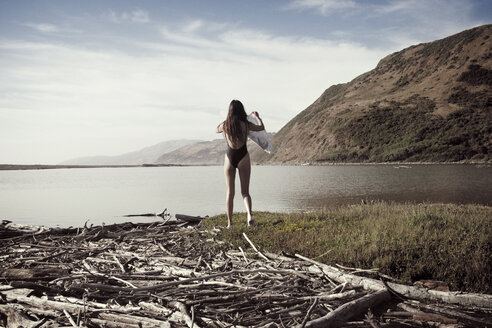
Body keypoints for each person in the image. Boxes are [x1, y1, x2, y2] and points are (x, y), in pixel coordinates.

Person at [216, 100, 265, 228]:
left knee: (230, 192)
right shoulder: (246, 124)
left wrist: (225, 121)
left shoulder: (225, 125)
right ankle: (249, 215)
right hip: (243, 156)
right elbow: (261, 128)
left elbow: (216, 129)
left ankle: (230, 223)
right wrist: (257, 117)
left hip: (230, 157)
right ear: (241, 110)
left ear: (230, 111)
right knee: (245, 192)